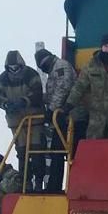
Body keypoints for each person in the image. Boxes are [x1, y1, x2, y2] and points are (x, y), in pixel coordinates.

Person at [34, 47, 88, 193]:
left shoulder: (61, 66)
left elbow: (63, 88)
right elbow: (54, 93)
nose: (43, 67)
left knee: (74, 154)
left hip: (74, 118)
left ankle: (76, 186)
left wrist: (52, 109)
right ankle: (54, 186)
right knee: (57, 152)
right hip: (63, 120)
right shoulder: (53, 71)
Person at [0, 50, 46, 192]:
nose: (14, 71)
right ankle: (25, 183)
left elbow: (37, 92)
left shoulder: (31, 74)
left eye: (16, 67)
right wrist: (6, 104)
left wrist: (24, 101)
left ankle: (39, 182)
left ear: (21, 65)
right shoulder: (3, 79)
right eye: (11, 68)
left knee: (37, 151)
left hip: (34, 120)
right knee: (22, 153)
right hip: (16, 122)